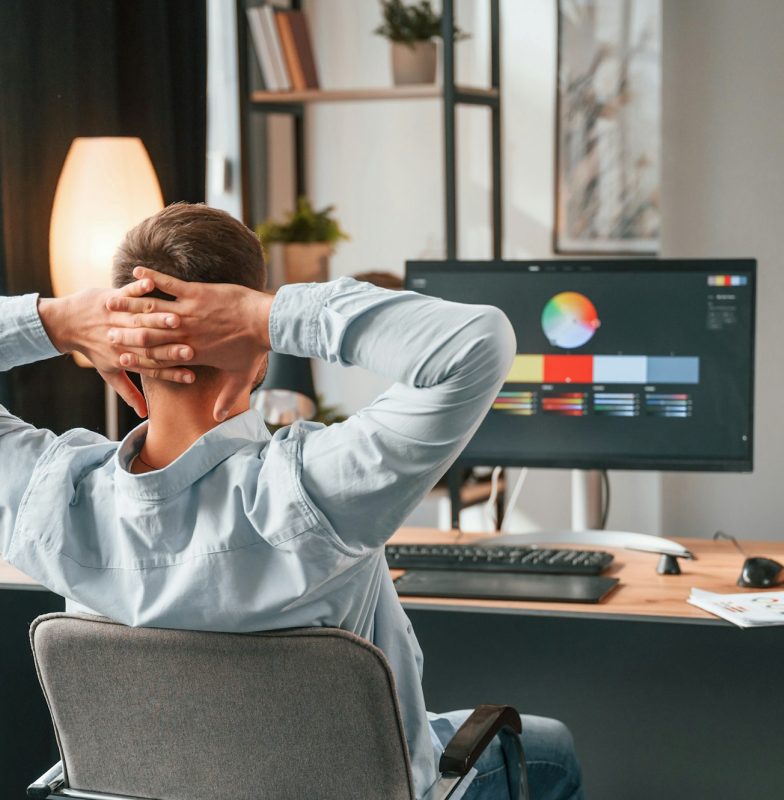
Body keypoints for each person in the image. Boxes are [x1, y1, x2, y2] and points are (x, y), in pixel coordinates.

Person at [0, 203, 583, 800]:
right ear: (260, 355)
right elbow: (478, 342)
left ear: (119, 359)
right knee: (549, 748)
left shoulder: (50, 501)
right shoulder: (316, 489)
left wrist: (56, 320)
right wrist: (269, 314)